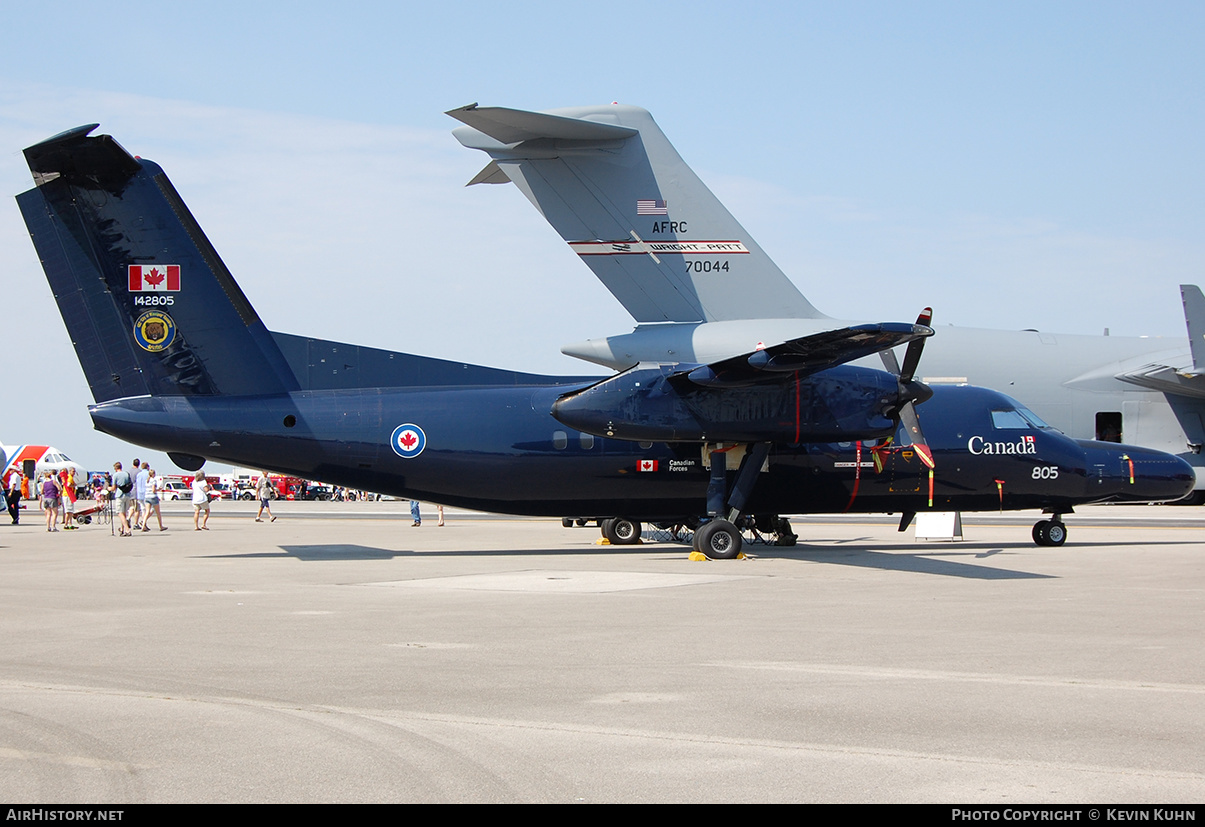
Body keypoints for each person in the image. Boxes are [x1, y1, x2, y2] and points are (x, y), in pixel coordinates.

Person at [110, 461, 133, 537]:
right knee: (124, 513)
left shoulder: (115, 475)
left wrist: (108, 488)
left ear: (116, 468)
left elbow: (113, 488)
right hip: (127, 494)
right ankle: (122, 529)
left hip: (120, 495)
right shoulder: (126, 474)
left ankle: (127, 529)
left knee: (120, 513)